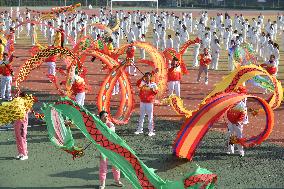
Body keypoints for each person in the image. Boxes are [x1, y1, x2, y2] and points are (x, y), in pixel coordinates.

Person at [98, 111, 123, 189]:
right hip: (103, 148)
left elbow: (111, 131)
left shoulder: (110, 124)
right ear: (100, 118)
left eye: (107, 116)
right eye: (104, 116)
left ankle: (117, 180)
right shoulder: (98, 125)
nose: (106, 118)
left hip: (112, 147)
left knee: (115, 164)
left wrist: (104, 127)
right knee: (103, 166)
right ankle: (102, 183)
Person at [135, 70, 158, 136]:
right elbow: (137, 83)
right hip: (142, 102)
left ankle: (151, 131)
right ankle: (139, 130)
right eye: (146, 77)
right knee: (141, 116)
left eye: (148, 77)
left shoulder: (153, 84)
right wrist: (142, 78)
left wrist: (152, 90)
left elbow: (156, 92)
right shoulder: (142, 83)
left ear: (150, 77)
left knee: (150, 117)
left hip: (149, 103)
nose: (147, 78)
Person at [226, 86, 248, 157]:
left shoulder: (242, 104)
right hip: (231, 122)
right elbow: (228, 112)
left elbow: (243, 114)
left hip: (238, 123)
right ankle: (230, 150)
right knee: (230, 135)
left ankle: (241, 152)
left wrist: (238, 121)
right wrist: (230, 120)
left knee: (239, 137)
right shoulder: (231, 103)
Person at [13, 92, 31, 160]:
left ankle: (25, 154)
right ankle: (20, 153)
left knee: (22, 138)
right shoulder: (19, 104)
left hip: (22, 125)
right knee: (18, 138)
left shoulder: (26, 105)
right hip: (17, 124)